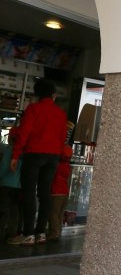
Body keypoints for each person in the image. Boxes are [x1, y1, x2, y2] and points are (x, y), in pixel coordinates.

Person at [8, 79, 68, 246]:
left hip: (33, 154)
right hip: (53, 157)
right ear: (53, 95)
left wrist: (15, 155)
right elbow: (62, 137)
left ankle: (28, 233)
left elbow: (23, 134)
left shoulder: (33, 109)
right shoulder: (61, 114)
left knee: (28, 193)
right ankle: (41, 232)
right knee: (44, 194)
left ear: (37, 95)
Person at [47, 143, 72, 241]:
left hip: (56, 192)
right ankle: (58, 230)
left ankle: (54, 233)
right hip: (65, 192)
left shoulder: (56, 165)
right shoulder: (68, 166)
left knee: (53, 213)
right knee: (60, 213)